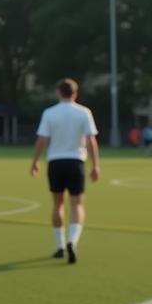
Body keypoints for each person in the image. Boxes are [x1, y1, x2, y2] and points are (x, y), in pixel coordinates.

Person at [29, 78, 100, 265]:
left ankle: (60, 246)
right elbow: (91, 141)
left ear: (58, 93)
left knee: (57, 204)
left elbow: (41, 140)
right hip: (76, 162)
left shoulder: (49, 113)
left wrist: (35, 162)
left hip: (55, 162)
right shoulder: (84, 112)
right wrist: (95, 165)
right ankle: (72, 241)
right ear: (75, 93)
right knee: (76, 204)